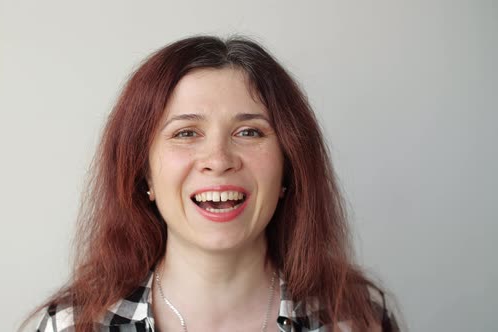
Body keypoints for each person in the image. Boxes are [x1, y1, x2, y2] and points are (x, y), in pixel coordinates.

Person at [26, 35, 401, 332]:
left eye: (249, 132)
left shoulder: (356, 322)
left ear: (289, 169)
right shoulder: (74, 326)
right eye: (187, 132)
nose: (219, 160)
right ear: (144, 174)